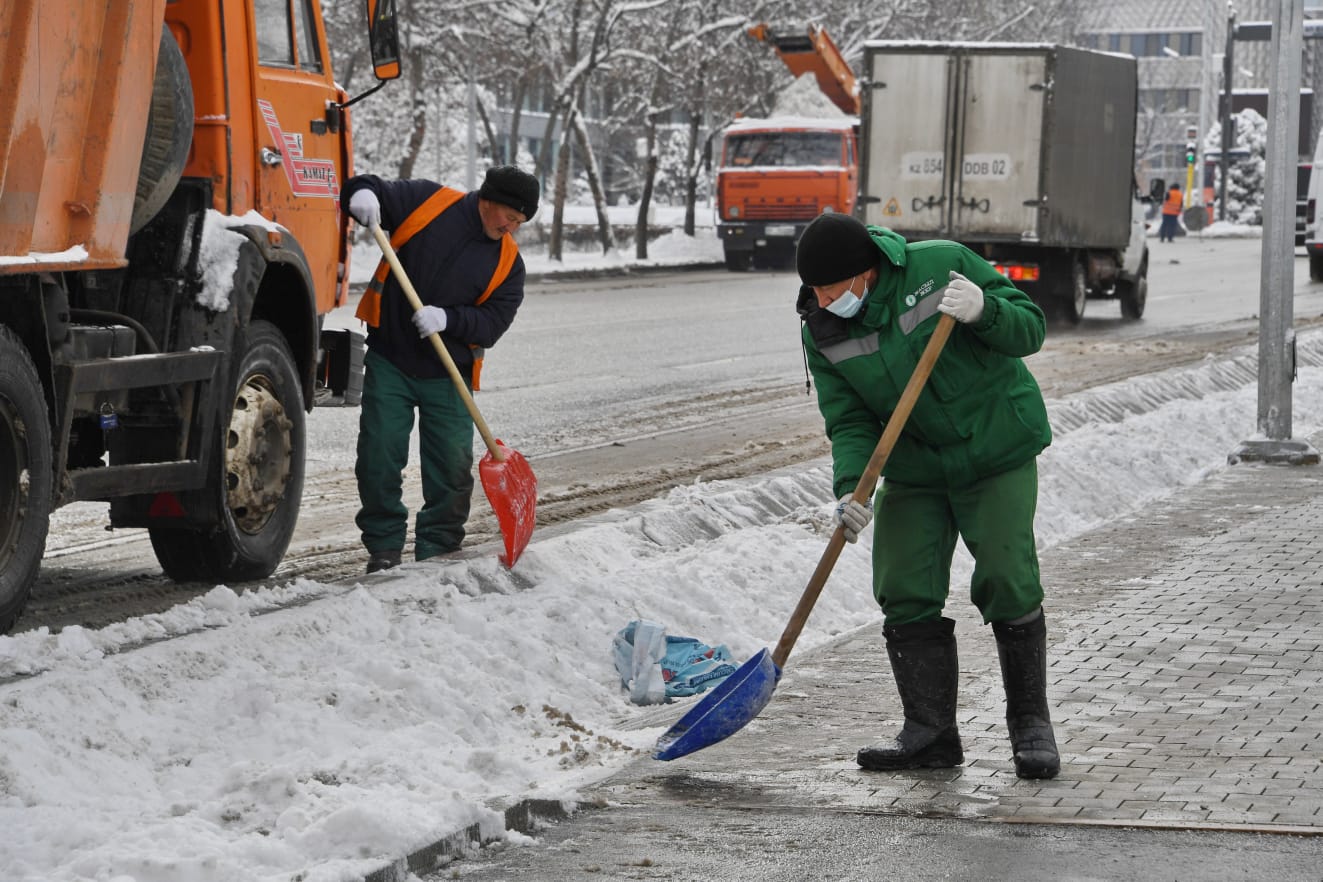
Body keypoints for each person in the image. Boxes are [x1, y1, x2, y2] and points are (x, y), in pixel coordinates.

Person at [794, 212, 1060, 780]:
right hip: (914, 465)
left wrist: (986, 312)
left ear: (865, 273)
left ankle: (1030, 724)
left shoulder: (941, 265)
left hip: (994, 445)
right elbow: (848, 420)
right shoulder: (821, 326)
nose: (822, 299)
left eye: (832, 288)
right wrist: (852, 487)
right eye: (814, 291)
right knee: (903, 584)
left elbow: (1030, 329)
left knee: (1007, 576)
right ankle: (930, 733)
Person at [342, 165, 539, 574]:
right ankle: (384, 547)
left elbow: (493, 323)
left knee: (450, 469)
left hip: (449, 375)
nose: (511, 228)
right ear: (490, 199)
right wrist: (360, 196)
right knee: (378, 455)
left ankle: (439, 548)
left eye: (519, 223)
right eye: (511, 217)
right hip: (391, 358)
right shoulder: (428, 203)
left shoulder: (508, 264)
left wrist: (449, 319)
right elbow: (367, 187)